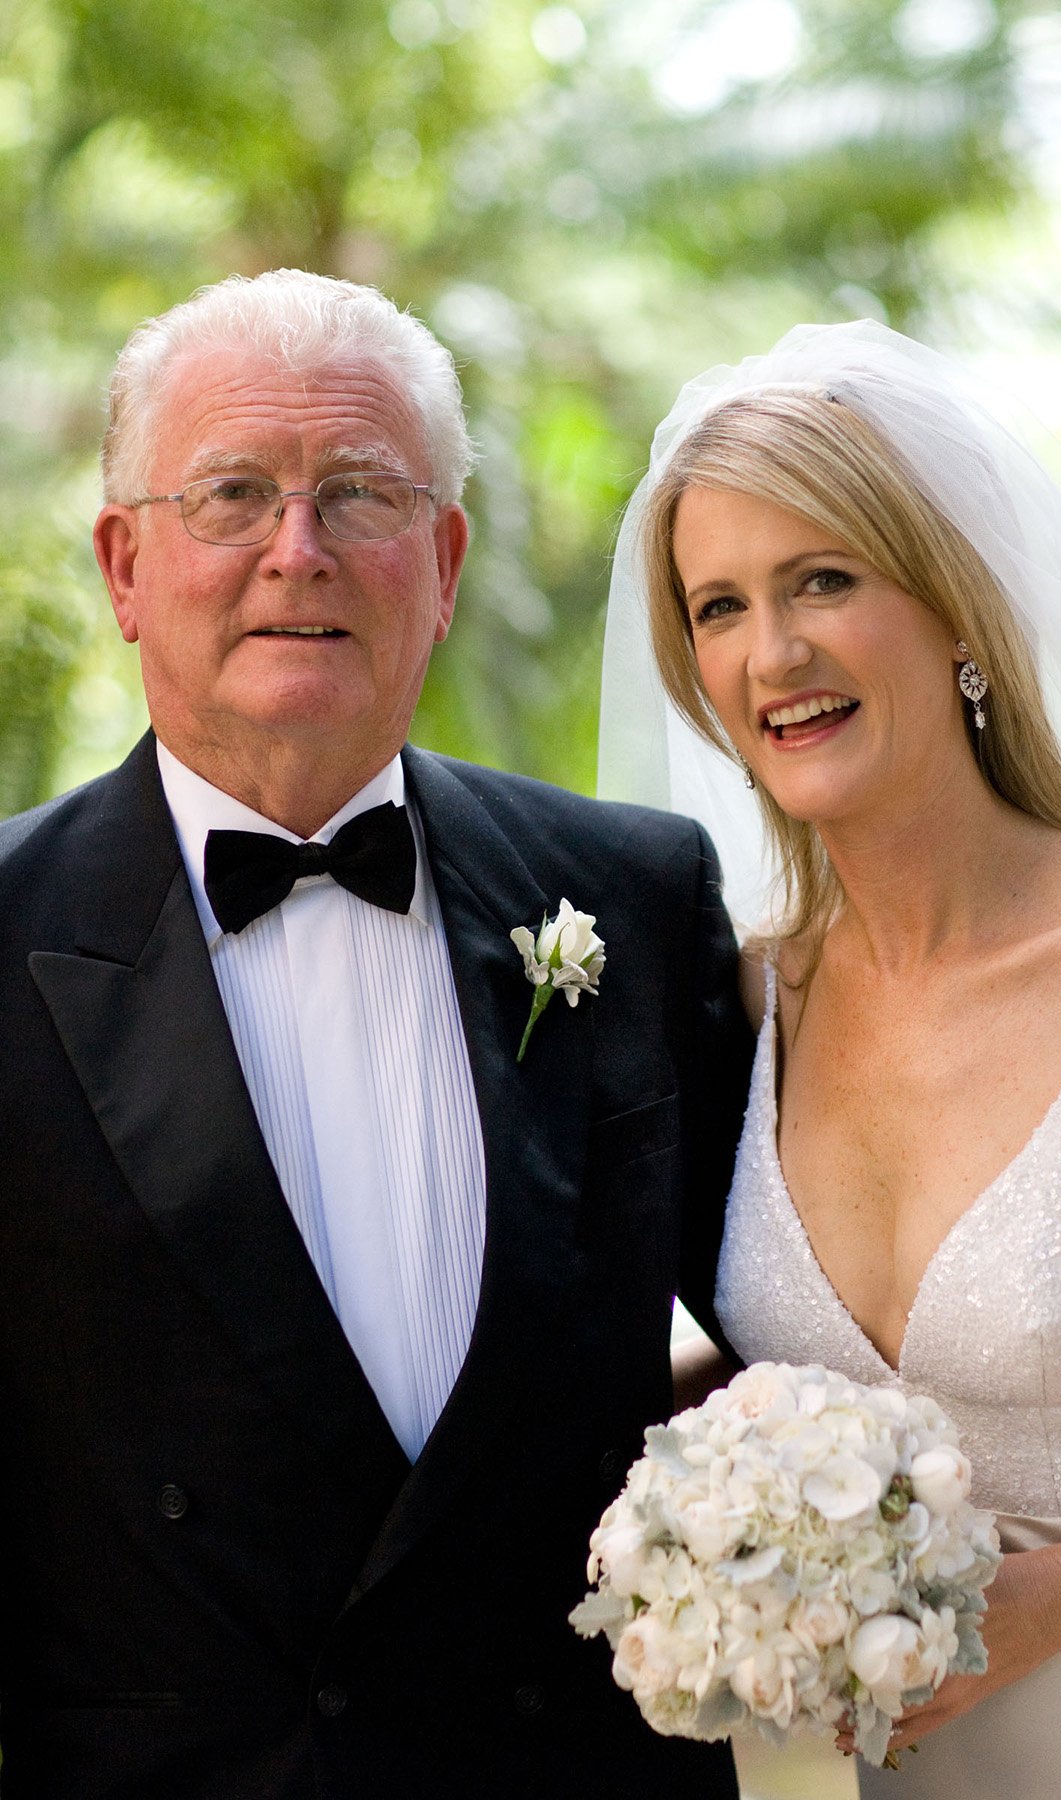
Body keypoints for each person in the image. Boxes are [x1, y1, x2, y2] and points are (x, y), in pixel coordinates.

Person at [0, 269, 751, 1800]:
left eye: (360, 492)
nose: (298, 550)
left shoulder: (638, 894)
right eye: (232, 494)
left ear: (447, 560)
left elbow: (805, 1307)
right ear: (125, 564)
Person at [599, 320, 1061, 1796]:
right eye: (721, 605)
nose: (776, 651)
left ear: (954, 609)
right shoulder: (747, 1001)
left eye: (824, 579)